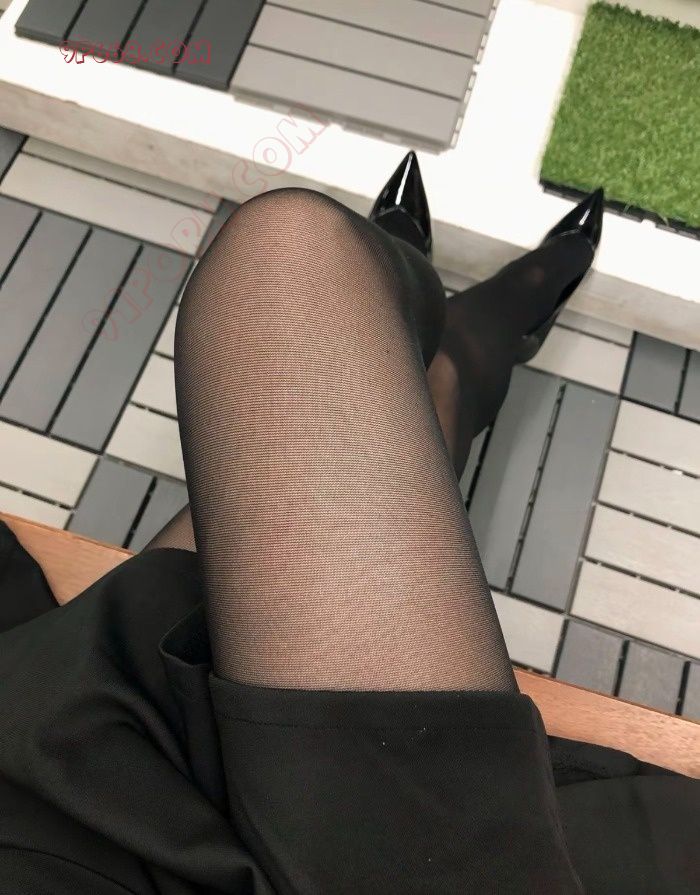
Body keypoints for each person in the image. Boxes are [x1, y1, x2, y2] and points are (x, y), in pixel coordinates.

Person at [0, 154, 697, 894]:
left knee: (285, 260)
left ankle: (441, 325)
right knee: (296, 265)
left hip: (65, 784)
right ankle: (458, 330)